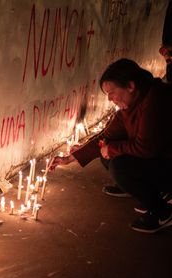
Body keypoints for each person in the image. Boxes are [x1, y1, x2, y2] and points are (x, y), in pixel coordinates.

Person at [51, 58, 172, 233]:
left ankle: (163, 212)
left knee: (120, 166)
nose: (109, 99)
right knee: (108, 153)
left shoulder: (155, 100)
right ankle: (147, 191)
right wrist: (71, 158)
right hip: (158, 159)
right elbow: (106, 136)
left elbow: (146, 147)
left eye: (112, 92)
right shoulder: (132, 103)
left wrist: (111, 149)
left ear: (130, 86)